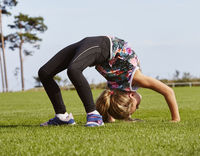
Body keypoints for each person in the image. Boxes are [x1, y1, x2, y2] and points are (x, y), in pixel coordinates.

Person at [38, 36, 180, 127]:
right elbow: (168, 91)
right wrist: (175, 119)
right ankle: (93, 115)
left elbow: (109, 100)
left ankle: (62, 117)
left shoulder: (115, 89)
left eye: (136, 107)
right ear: (130, 96)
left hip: (89, 46)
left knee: (44, 73)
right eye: (137, 107)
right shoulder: (137, 78)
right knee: (73, 70)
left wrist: (110, 117)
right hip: (103, 45)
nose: (138, 107)